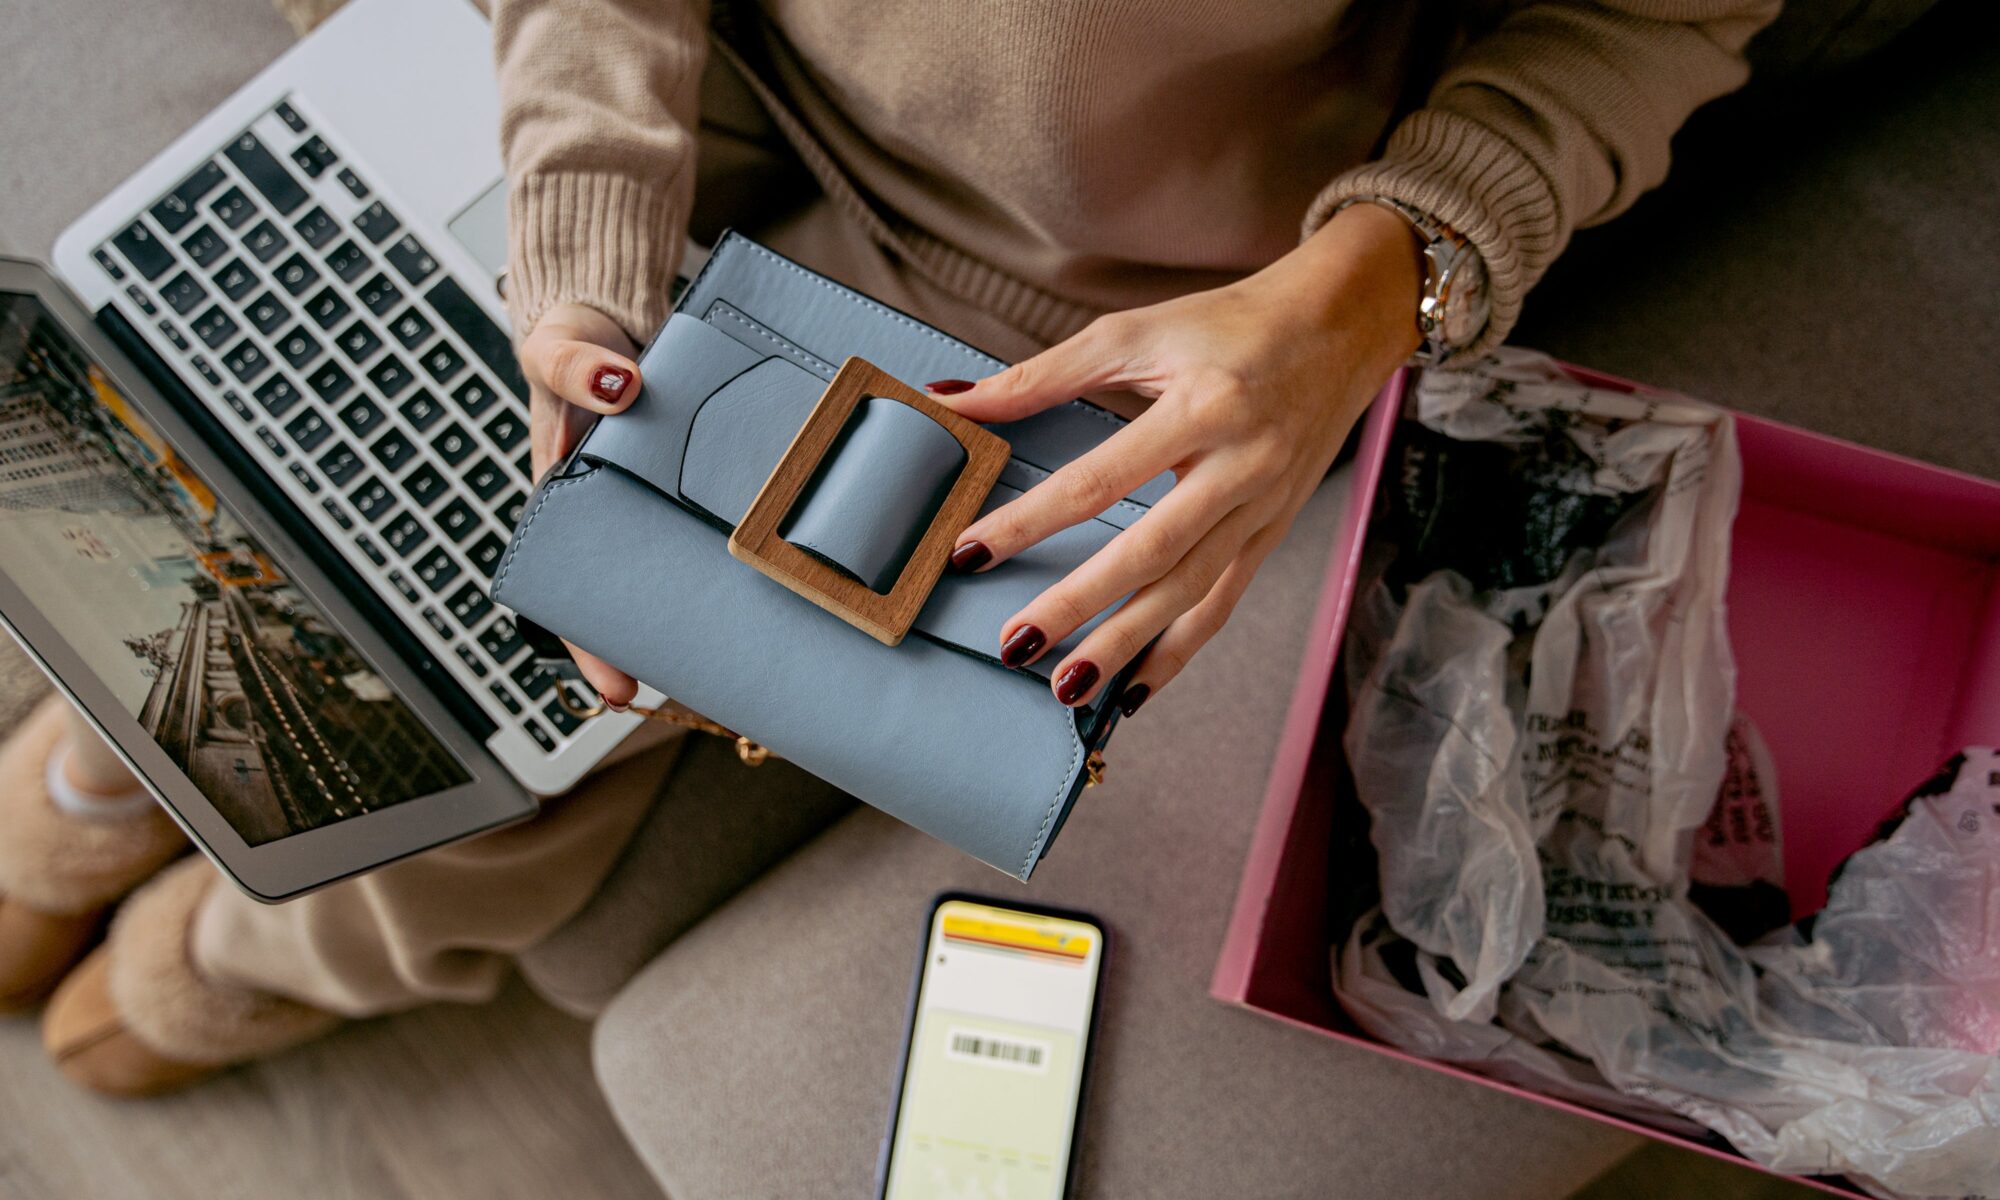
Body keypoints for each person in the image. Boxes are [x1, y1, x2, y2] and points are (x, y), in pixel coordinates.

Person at [0, 0, 1780, 1093]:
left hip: (1069, 295)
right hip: (657, 50)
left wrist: (1369, 286)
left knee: (536, 727)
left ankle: (253, 956)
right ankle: (108, 762)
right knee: (269, 447)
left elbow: (1658, 14)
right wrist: (585, 205)